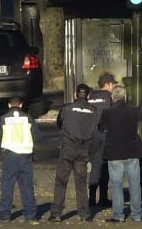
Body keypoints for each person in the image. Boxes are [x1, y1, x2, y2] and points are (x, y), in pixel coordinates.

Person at [50, 84, 98, 222]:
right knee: (81, 183)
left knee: (61, 181)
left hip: (68, 148)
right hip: (83, 149)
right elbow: (95, 128)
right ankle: (84, 214)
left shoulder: (66, 108)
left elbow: (59, 123)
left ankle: (56, 213)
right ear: (88, 95)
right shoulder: (93, 110)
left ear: (76, 94)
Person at [101, 84, 142, 223]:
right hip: (132, 150)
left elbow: (101, 128)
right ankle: (137, 214)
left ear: (112, 97)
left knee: (117, 184)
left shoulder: (107, 112)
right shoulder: (134, 111)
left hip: (115, 151)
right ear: (125, 97)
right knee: (134, 184)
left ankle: (118, 215)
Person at [0, 96, 40, 222]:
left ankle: (5, 215)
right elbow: (36, 136)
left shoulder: (3, 119)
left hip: (10, 156)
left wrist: (2, 151)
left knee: (7, 186)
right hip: (25, 155)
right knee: (27, 186)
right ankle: (30, 215)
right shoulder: (28, 118)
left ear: (9, 105)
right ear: (21, 105)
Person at [87, 72, 117, 207]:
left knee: (95, 166)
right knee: (104, 166)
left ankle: (91, 197)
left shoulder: (91, 97)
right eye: (113, 84)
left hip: (92, 135)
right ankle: (103, 197)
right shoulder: (109, 98)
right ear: (107, 85)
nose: (114, 86)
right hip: (105, 135)